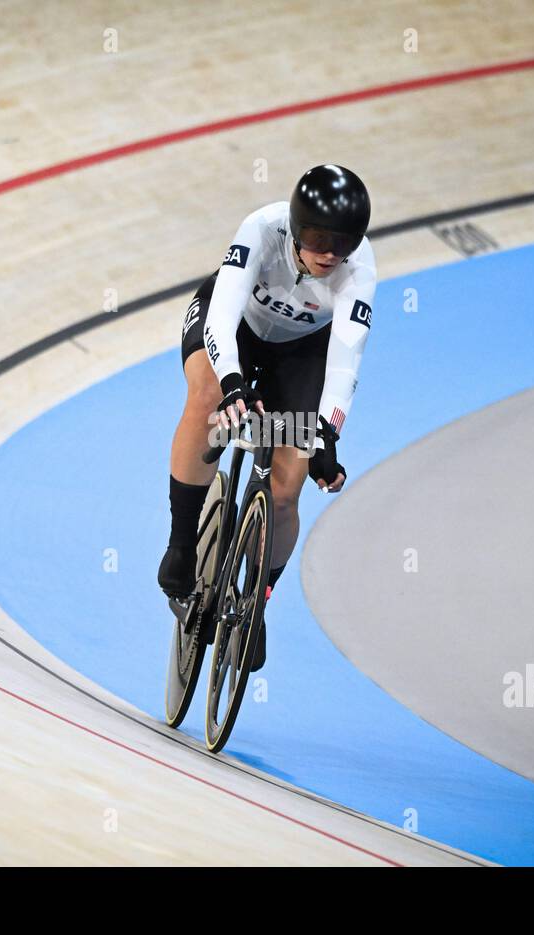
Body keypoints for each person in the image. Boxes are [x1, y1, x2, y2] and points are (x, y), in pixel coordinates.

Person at [158, 164, 377, 670]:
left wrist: (326, 436)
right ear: (297, 230)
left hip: (302, 352)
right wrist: (233, 382)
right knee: (208, 397)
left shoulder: (359, 268)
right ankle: (181, 546)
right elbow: (224, 313)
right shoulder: (261, 228)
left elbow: (346, 358)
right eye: (320, 238)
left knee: (286, 486)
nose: (330, 253)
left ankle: (256, 601)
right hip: (235, 327)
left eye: (342, 243)